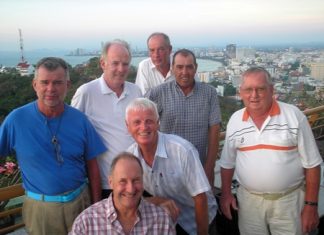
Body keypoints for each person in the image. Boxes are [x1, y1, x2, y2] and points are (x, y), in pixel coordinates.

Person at [0, 57, 107, 234]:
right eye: (45, 82)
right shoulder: (16, 120)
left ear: (67, 84)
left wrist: (95, 206)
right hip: (41, 209)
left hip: (80, 202)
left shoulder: (80, 120)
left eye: (58, 82)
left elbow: (93, 166)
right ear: (35, 85)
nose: (51, 89)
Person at [219, 66, 323, 235]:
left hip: (288, 202)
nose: (254, 95)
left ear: (271, 90)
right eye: (248, 90)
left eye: (260, 89)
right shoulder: (235, 120)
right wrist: (225, 195)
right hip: (249, 204)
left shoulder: (293, 116)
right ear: (241, 92)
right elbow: (227, 163)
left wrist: (311, 206)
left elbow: (312, 165)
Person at [125, 98, 217, 235]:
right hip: (167, 222)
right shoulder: (130, 158)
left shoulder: (182, 151)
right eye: (137, 122)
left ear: (158, 123)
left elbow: (200, 198)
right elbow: (126, 196)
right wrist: (154, 200)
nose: (143, 127)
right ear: (127, 127)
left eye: (149, 121)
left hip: (198, 220)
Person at [71, 40, 142, 198]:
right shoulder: (86, 92)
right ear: (103, 63)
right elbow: (72, 134)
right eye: (115, 63)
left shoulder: (135, 91)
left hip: (137, 180)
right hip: (107, 183)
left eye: (125, 64)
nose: (121, 69)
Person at [147, 49, 221, 186]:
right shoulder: (158, 93)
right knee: (170, 207)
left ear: (196, 68)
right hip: (167, 169)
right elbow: (144, 127)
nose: (184, 72)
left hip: (198, 167)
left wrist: (209, 168)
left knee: (200, 206)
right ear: (172, 68)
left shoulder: (209, 93)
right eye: (180, 67)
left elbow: (215, 131)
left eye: (189, 67)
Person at [69, 152, 176, 235]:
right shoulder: (87, 222)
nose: (130, 189)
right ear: (111, 183)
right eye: (123, 181)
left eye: (136, 180)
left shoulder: (161, 221)